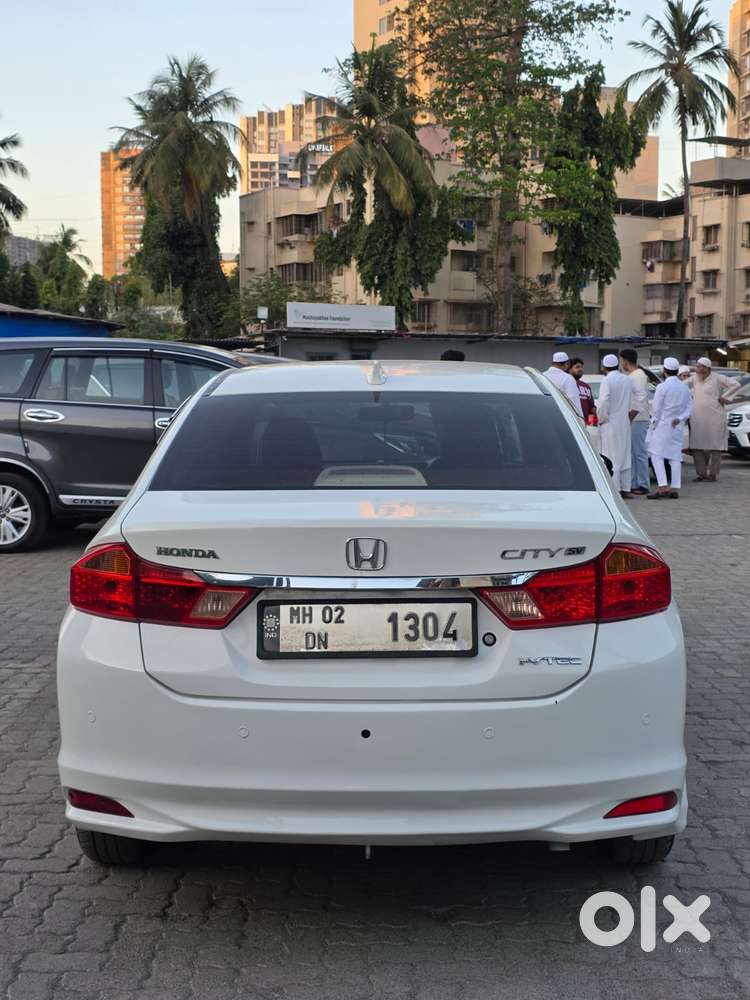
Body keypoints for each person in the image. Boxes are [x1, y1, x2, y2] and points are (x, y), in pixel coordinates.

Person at [687, 357, 739, 482]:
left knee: (715, 447)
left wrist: (725, 397)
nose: (697, 369)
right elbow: (681, 386)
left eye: (700, 366)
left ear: (707, 368)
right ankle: (701, 474)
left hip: (715, 418)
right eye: (697, 366)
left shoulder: (718, 378)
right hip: (698, 418)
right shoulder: (694, 378)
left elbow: (735, 385)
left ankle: (713, 474)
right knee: (697, 446)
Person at [647, 357, 692, 500]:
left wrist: (653, 425)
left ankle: (662, 487)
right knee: (675, 457)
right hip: (677, 426)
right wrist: (679, 419)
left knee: (656, 455)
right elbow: (689, 408)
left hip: (663, 425)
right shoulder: (684, 387)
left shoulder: (662, 387)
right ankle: (674, 488)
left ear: (664, 371)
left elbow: (656, 409)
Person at [597, 354, 635, 498]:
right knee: (625, 455)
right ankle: (626, 488)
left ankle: (615, 489)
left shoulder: (607, 380)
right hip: (624, 422)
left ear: (604, 366)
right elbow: (640, 395)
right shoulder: (627, 379)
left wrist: (601, 418)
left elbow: (603, 401)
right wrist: (632, 413)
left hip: (610, 423)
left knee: (611, 456)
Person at [619, 349, 651, 495]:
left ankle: (643, 484)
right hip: (633, 418)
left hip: (638, 418)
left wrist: (631, 414)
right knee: (632, 453)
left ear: (625, 361)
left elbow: (640, 398)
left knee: (639, 452)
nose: (622, 364)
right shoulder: (633, 375)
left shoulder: (638, 376)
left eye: (622, 361)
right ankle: (633, 483)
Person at [542, 351, 584, 417]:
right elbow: (574, 401)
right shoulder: (568, 378)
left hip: (544, 414)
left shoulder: (542, 375)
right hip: (562, 417)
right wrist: (580, 418)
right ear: (566, 364)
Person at [569, 357, 596, 423]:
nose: (580, 369)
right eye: (577, 367)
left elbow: (591, 407)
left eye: (581, 367)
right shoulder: (566, 384)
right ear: (570, 369)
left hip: (584, 424)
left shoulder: (586, 386)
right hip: (570, 422)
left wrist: (592, 423)